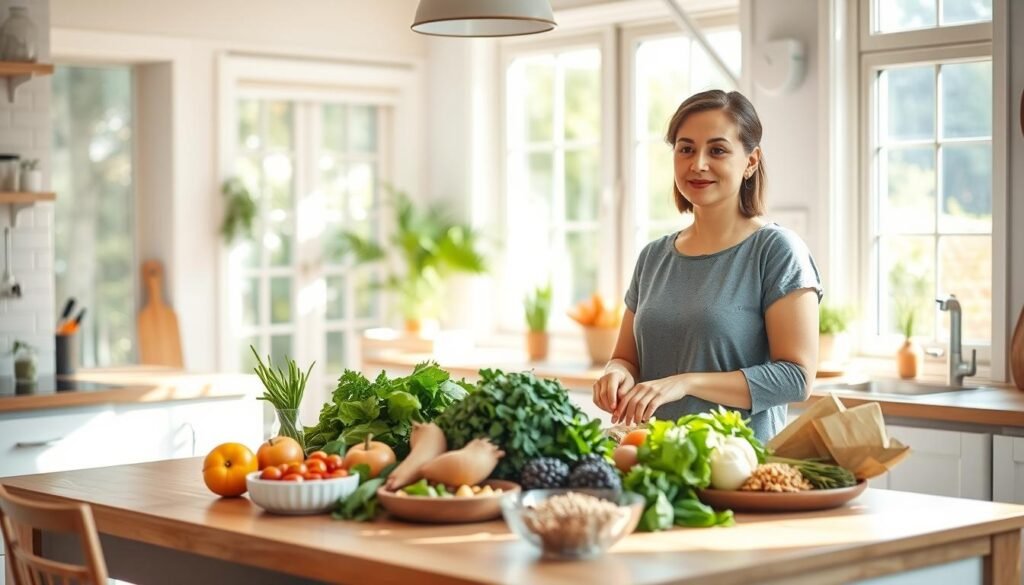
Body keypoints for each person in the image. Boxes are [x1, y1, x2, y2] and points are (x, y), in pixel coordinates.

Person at [592, 89, 821, 443]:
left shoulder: (776, 251)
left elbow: (796, 378)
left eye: (717, 150)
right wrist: (615, 373)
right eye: (686, 149)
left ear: (751, 161)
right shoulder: (653, 257)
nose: (698, 164)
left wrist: (686, 382)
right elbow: (626, 358)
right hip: (656, 464)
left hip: (740, 469)